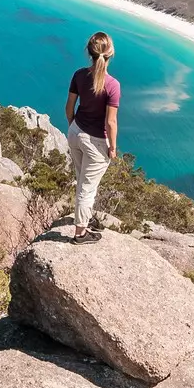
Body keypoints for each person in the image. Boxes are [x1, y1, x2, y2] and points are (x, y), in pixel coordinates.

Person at [63, 31, 119, 243]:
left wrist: (72, 126)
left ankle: (84, 219)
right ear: (110, 54)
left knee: (82, 180)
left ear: (89, 52)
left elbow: (70, 106)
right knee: (87, 187)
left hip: (75, 132)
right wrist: (112, 147)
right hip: (95, 142)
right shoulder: (113, 85)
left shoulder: (79, 75)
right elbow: (110, 122)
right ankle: (80, 234)